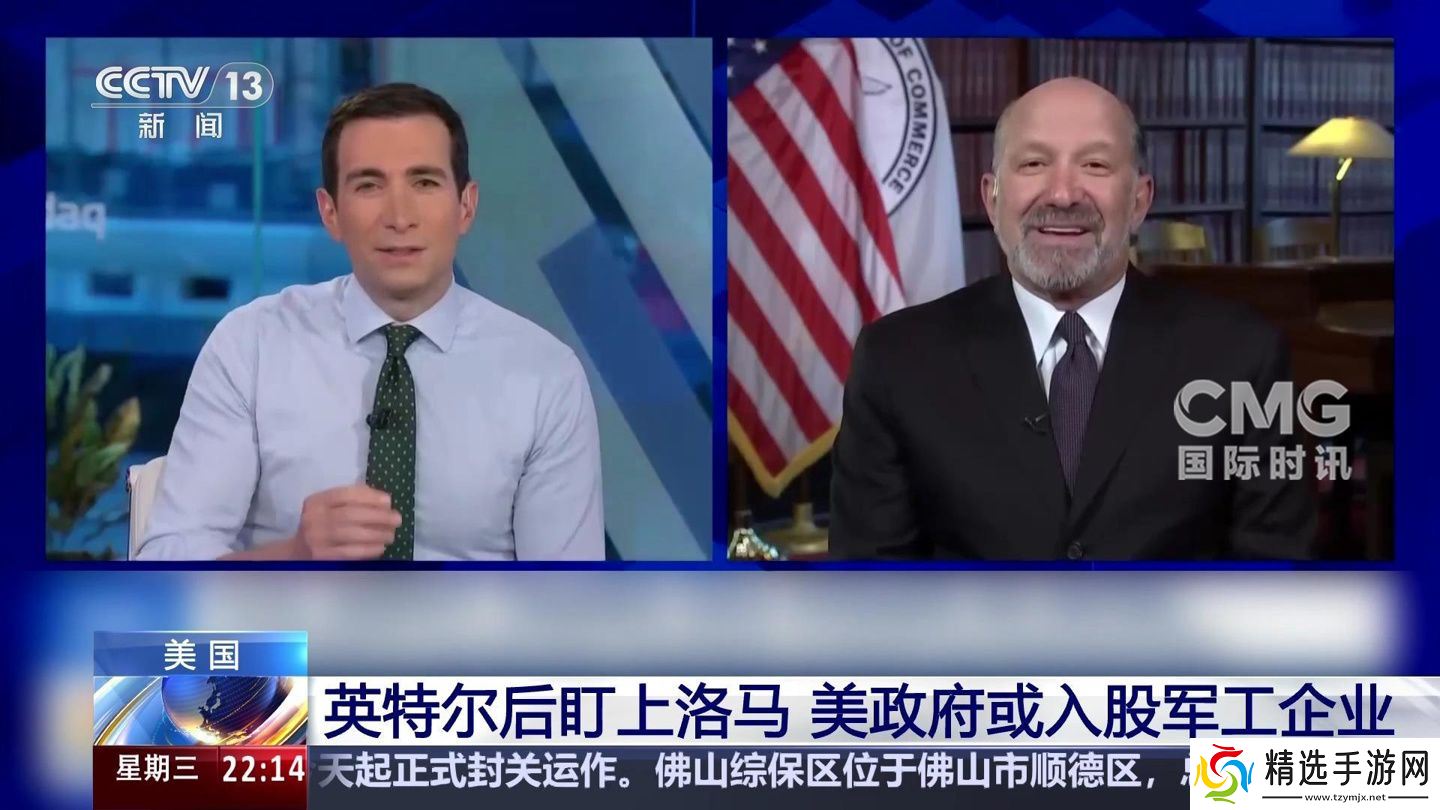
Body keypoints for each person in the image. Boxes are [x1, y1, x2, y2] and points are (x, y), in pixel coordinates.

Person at [829, 77, 1316, 560]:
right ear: (992, 198)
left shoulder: (1244, 357)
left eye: (1095, 164)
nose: (1062, 194)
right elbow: (872, 586)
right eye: (1033, 163)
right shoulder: (896, 361)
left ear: (1139, 200)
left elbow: (1273, 572)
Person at [137, 83, 603, 561]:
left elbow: (570, 594)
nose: (399, 217)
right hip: (292, 612)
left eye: (424, 183)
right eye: (369, 186)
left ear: (466, 206)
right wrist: (294, 556)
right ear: (330, 212)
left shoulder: (545, 375)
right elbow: (165, 562)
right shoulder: (251, 345)